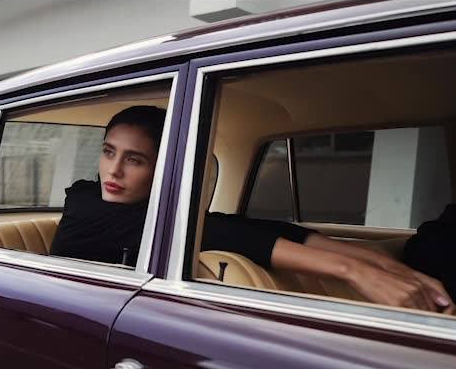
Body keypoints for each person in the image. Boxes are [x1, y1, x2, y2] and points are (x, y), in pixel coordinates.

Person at [50, 105, 454, 315]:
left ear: (163, 170)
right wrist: (354, 271)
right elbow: (220, 234)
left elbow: (242, 228)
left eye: (134, 159)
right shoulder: (84, 203)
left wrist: (387, 266)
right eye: (109, 152)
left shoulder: (160, 214)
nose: (113, 171)